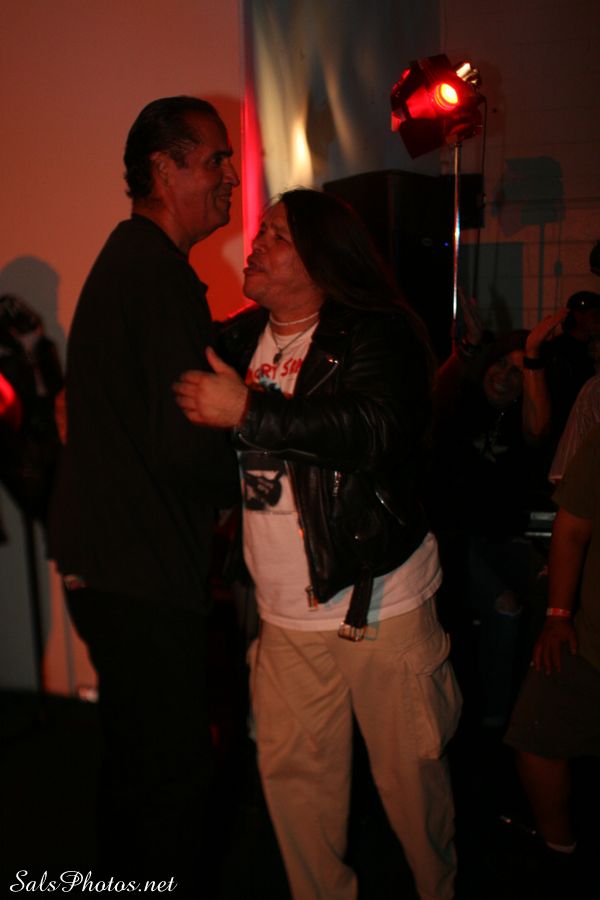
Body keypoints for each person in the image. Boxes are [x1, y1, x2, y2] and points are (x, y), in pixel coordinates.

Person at [174, 188, 462, 900]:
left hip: (378, 603)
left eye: (276, 235)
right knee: (297, 794)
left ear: (323, 256)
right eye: (261, 231)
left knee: (413, 790)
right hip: (282, 614)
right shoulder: (239, 338)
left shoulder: (379, 332)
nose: (256, 243)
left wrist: (249, 410)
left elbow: (372, 429)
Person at [48, 96, 240, 885]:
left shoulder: (132, 262)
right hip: (141, 571)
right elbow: (185, 441)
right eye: (216, 159)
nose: (230, 176)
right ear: (165, 170)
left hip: (112, 562)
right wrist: (264, 467)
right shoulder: (157, 276)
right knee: (170, 781)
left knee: (137, 768)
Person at [504, 422, 600, 886]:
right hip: (592, 637)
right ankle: (560, 855)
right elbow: (572, 526)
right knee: (535, 735)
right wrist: (559, 616)